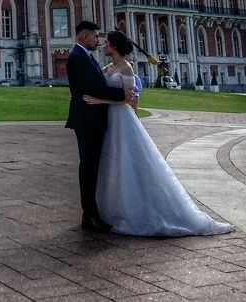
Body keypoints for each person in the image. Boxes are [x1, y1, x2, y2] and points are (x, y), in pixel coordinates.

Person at [82, 30, 233, 237]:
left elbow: (129, 99)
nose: (103, 45)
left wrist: (100, 101)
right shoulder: (108, 67)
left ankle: (140, 210)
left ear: (115, 46)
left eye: (107, 42)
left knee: (128, 160)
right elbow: (95, 79)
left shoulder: (126, 68)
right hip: (109, 120)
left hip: (122, 118)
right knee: (113, 163)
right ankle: (113, 210)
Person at [65, 20, 133, 233]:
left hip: (92, 118)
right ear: (84, 37)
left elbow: (99, 83)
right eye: (95, 36)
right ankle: (89, 214)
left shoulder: (85, 56)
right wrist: (121, 95)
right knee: (89, 167)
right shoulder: (78, 57)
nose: (98, 40)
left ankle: (91, 213)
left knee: (92, 166)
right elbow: (92, 87)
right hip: (87, 119)